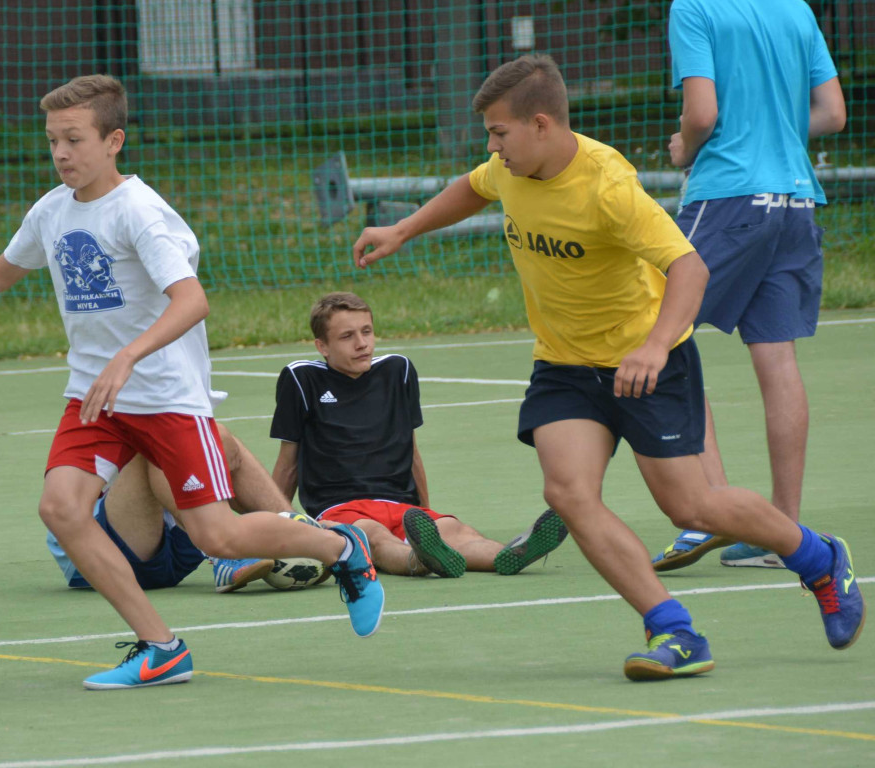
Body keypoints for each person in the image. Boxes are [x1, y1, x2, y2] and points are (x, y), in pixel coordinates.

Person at [351, 55, 863, 681]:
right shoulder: (512, 169)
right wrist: (405, 228)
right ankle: (674, 630)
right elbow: (475, 185)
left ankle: (816, 556)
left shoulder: (607, 186)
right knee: (567, 493)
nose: (493, 146)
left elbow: (690, 269)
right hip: (564, 366)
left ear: (541, 124)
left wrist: (653, 346)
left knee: (692, 508)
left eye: (499, 132)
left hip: (647, 364)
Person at [0, 74, 384, 691]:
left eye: (74, 139)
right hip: (96, 397)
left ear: (113, 141)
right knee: (61, 507)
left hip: (164, 397)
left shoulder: (140, 212)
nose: (60, 153)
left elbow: (191, 301)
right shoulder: (52, 210)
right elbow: (3, 271)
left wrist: (128, 356)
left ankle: (340, 547)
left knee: (218, 537)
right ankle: (161, 647)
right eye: (53, 140)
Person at [651, 0, 848, 571]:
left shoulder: (694, 8)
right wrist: (776, 127)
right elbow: (832, 113)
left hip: (728, 194)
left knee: (659, 335)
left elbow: (703, 114)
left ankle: (707, 513)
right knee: (777, 358)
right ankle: (782, 530)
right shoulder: (796, 10)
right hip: (794, 200)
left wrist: (686, 147)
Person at [269, 292, 569, 579]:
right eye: (347, 337)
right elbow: (288, 464)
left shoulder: (397, 371)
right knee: (372, 538)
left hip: (401, 504)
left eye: (367, 331)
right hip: (340, 508)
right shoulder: (302, 378)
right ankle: (419, 560)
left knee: (455, 530)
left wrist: (425, 513)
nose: (362, 343)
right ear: (322, 346)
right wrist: (274, 526)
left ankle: (507, 555)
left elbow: (410, 451)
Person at [47, 422, 295, 594]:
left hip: (177, 534)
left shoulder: (174, 372)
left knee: (215, 438)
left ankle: (299, 535)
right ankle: (226, 554)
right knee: (160, 441)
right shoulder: (109, 382)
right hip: (99, 548)